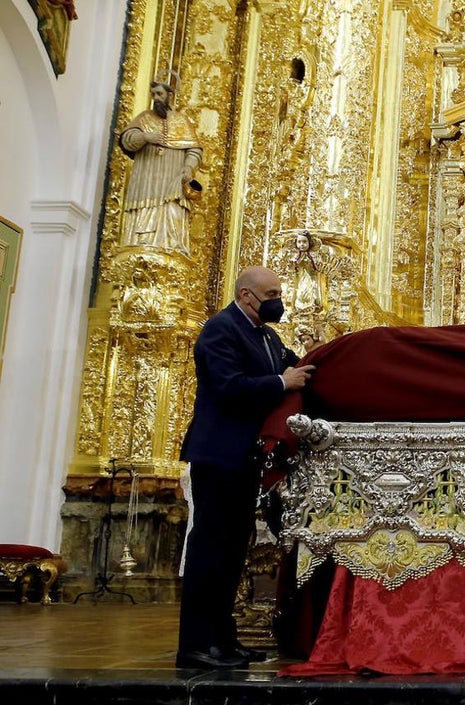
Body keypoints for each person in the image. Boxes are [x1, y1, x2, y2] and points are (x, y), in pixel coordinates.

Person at [177, 266, 316, 669]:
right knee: (210, 549)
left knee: (233, 551)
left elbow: (296, 367)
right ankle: (196, 645)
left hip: (245, 457)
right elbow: (228, 386)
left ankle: (223, 640)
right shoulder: (220, 330)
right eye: (271, 294)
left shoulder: (267, 336)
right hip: (218, 454)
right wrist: (281, 383)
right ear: (245, 295)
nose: (278, 301)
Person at [119, 81, 202, 255]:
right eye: (153, 94)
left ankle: (171, 248)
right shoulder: (144, 118)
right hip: (147, 180)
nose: (156, 98)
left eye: (160, 94)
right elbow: (127, 139)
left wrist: (189, 167)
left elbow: (194, 149)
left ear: (169, 96)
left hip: (173, 179)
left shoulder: (181, 121)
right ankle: (141, 245)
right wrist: (145, 137)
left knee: (172, 212)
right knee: (145, 212)